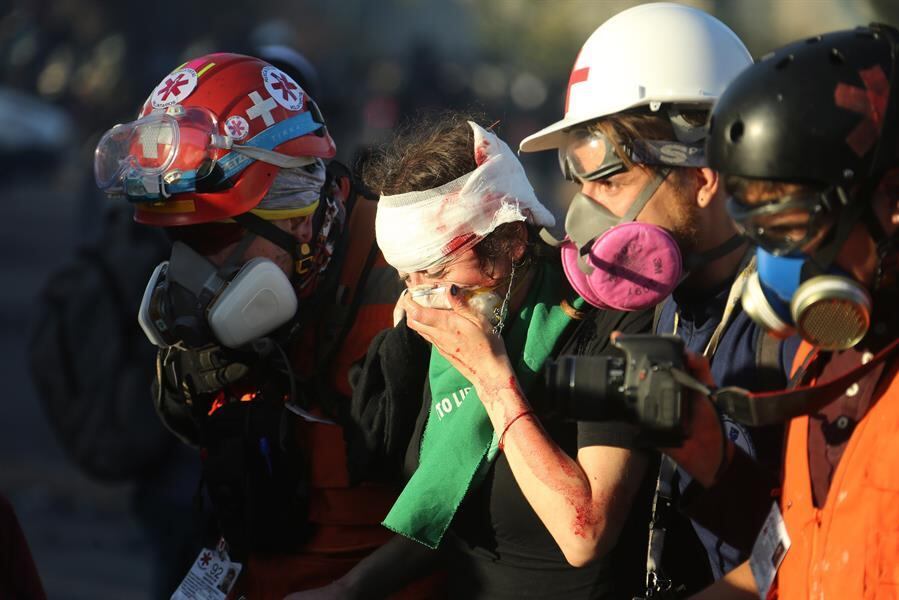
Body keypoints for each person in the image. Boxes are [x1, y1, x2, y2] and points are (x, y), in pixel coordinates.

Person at [92, 52, 430, 599]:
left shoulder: (412, 276)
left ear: (293, 211)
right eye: (179, 243)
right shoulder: (254, 290)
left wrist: (355, 589)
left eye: (212, 240)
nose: (193, 275)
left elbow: (475, 505)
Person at [289, 112, 657, 599]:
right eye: (408, 279)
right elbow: (456, 507)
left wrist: (491, 374)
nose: (425, 297)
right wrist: (350, 589)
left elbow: (585, 532)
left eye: (437, 269)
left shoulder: (600, 319)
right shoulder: (448, 332)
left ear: (511, 242)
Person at [517, 2, 799, 586]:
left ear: (703, 176)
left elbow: (808, 546)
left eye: (612, 181)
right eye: (582, 185)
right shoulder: (659, 308)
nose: (587, 216)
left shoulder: (792, 330)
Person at [660, 22, 899, 599]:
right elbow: (793, 556)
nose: (771, 269)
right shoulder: (827, 361)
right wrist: (712, 460)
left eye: (789, 229)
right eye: (757, 233)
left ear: (891, 202)